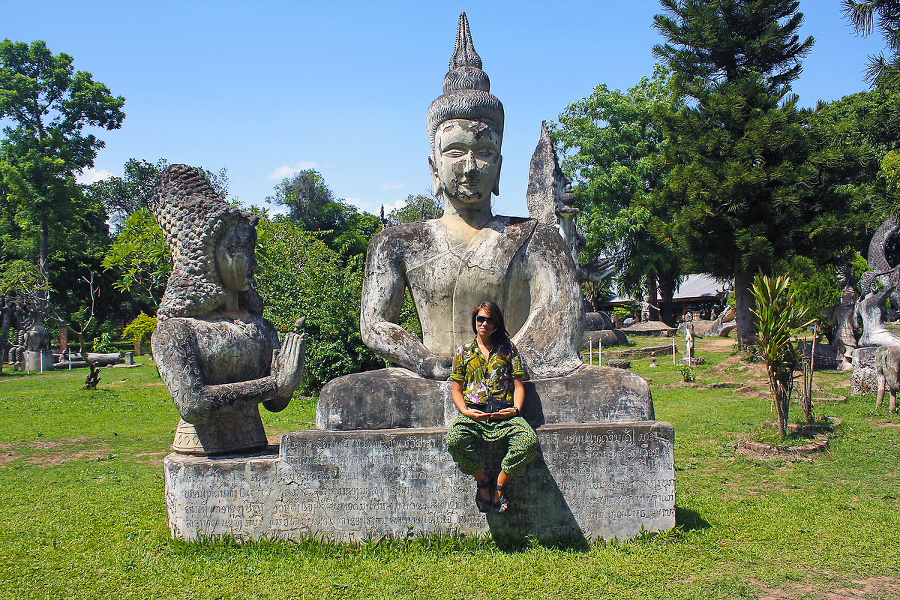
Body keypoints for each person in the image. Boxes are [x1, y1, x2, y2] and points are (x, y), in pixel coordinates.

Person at [150, 165, 306, 454]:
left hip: (255, 443)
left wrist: (289, 380)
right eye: (240, 251)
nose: (252, 263)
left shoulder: (261, 327)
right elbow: (193, 405)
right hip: (200, 451)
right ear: (208, 256)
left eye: (252, 250)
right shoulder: (176, 331)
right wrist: (274, 384)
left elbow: (276, 405)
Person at [446, 301, 537, 513]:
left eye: (489, 320)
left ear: (496, 324)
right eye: (480, 319)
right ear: (475, 321)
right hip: (474, 415)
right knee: (454, 441)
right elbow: (456, 390)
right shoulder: (463, 352)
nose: (484, 323)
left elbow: (518, 385)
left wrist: (515, 409)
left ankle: (499, 484)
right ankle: (483, 480)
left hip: (505, 414)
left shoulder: (507, 349)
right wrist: (466, 412)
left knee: (528, 442)